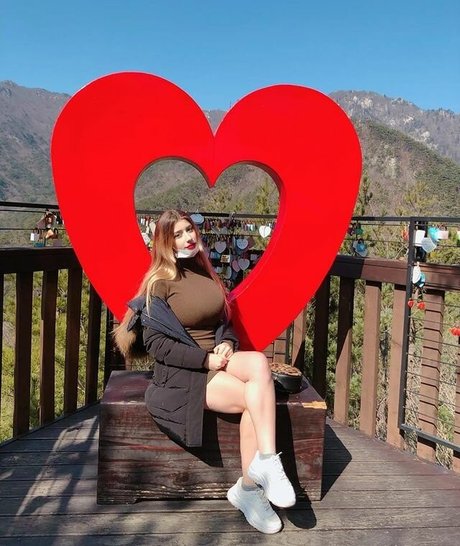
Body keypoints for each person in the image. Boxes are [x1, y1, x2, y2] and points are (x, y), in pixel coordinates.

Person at [114, 209, 295, 534]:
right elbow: (157, 345)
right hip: (185, 373)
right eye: (178, 234)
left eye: (189, 230)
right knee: (252, 400)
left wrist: (226, 342)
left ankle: (267, 461)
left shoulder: (205, 272)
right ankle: (249, 489)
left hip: (215, 358)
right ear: (165, 243)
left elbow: (223, 321)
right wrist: (204, 360)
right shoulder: (159, 284)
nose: (188, 237)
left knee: (257, 363)